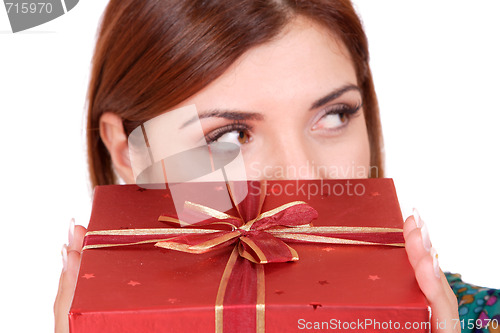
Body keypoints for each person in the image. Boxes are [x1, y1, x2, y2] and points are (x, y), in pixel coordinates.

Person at [54, 0, 499, 332]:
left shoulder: (484, 321)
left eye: (334, 115)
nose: (302, 176)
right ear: (129, 151)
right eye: (229, 136)